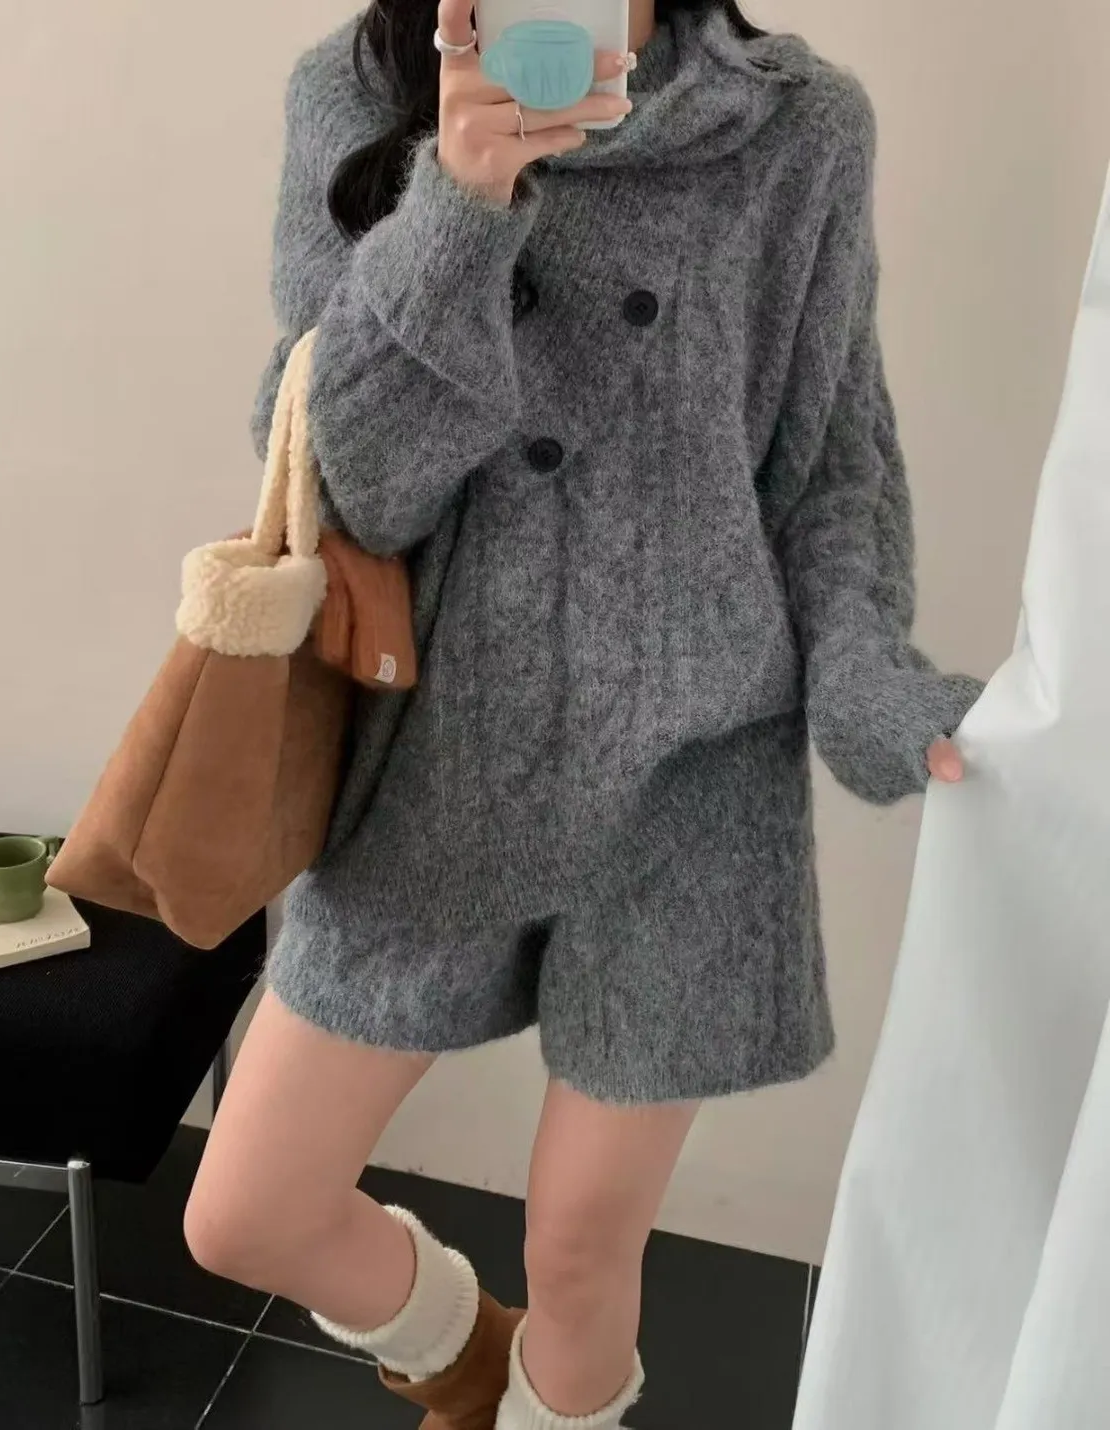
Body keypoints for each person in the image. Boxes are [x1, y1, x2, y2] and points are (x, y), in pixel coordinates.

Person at [184, 1, 983, 1426]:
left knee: (579, 1243)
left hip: (691, 773)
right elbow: (348, 486)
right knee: (247, 1208)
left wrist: (865, 675)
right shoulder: (359, 93)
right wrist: (458, 206)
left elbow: (830, 467)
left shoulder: (795, 128)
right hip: (446, 755)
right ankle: (466, 1363)